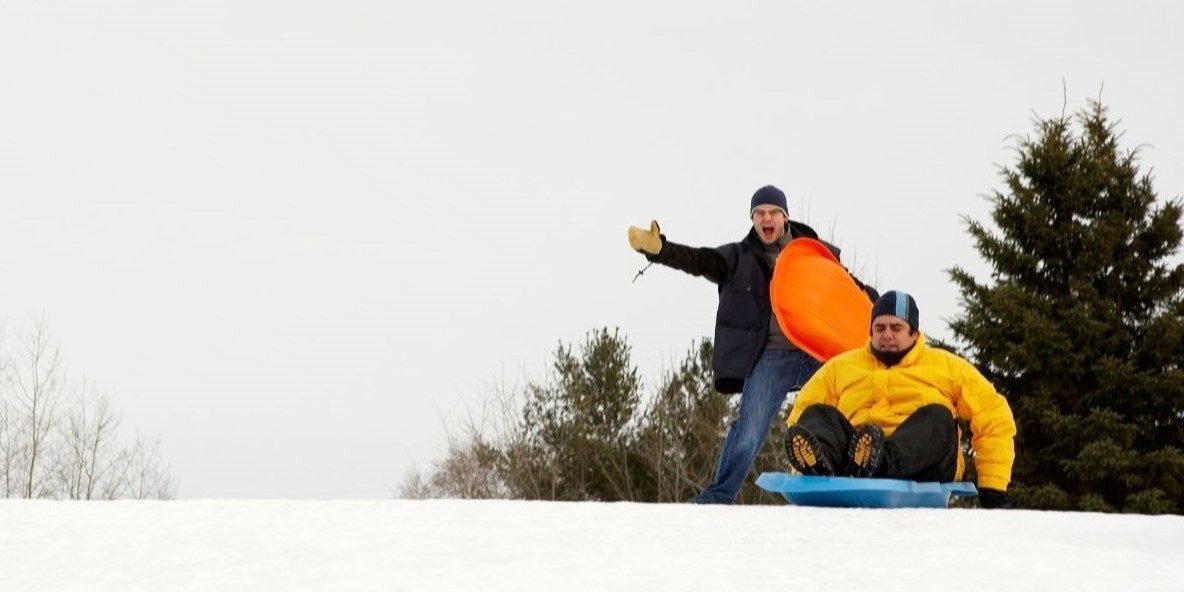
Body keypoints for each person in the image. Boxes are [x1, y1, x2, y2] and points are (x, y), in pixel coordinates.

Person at [627, 185, 876, 504]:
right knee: (749, 429)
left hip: (819, 351)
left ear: (785, 218)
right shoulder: (737, 258)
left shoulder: (814, 253)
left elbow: (851, 290)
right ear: (752, 219)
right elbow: (699, 260)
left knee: (857, 399)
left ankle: (858, 478)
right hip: (772, 356)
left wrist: (889, 308)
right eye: (760, 214)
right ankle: (717, 497)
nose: (766, 218)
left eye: (773, 212)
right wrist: (659, 249)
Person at [783, 290, 1017, 509]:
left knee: (938, 417)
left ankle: (878, 461)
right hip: (855, 459)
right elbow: (801, 417)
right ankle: (820, 466)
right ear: (871, 332)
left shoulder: (948, 367)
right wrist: (799, 471)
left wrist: (993, 483)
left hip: (924, 465)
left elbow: (992, 414)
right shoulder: (839, 368)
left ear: (914, 333)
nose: (887, 334)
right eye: (880, 327)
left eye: (896, 328)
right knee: (817, 413)